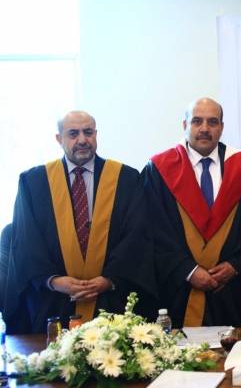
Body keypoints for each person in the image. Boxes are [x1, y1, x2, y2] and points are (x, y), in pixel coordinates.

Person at [4, 111, 156, 333]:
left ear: (96, 134)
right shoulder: (33, 182)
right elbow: (27, 241)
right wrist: (54, 281)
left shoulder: (126, 178)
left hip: (111, 302)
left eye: (88, 132)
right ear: (59, 138)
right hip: (54, 302)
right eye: (73, 134)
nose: (82, 140)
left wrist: (109, 279)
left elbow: (137, 236)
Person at [143, 97, 241, 328]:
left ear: (221, 127)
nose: (204, 129)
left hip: (230, 290)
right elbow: (152, 229)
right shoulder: (159, 168)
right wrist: (188, 270)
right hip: (177, 288)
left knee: (234, 348)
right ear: (185, 125)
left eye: (212, 122)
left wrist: (236, 264)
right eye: (197, 121)